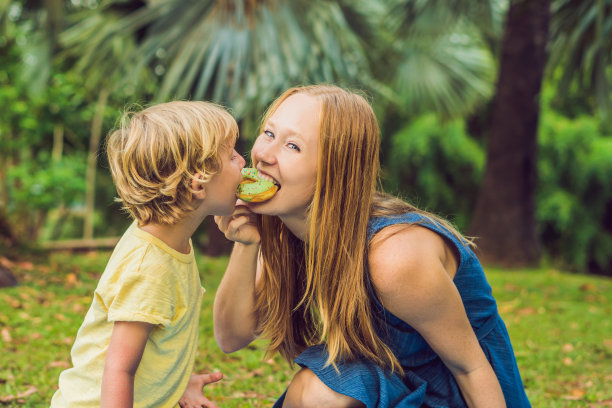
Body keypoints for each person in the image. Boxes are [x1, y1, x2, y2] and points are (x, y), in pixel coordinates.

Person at [213, 85, 531, 407]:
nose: (265, 155)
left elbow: (470, 368)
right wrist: (246, 243)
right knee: (316, 392)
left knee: (321, 394)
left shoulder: (394, 257)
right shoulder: (286, 227)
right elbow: (231, 338)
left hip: (453, 392)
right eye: (269, 133)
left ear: (335, 169)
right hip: (388, 379)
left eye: (293, 146)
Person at [50, 101, 246, 408]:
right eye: (233, 156)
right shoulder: (150, 266)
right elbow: (119, 368)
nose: (243, 161)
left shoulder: (171, 240)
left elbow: (156, 340)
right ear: (198, 183)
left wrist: (178, 385)